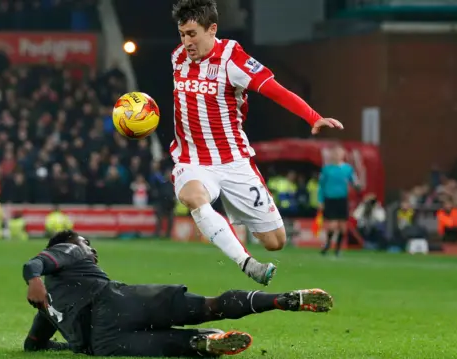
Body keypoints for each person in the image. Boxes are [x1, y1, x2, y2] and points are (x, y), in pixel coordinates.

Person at [169, 0, 344, 285]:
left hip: (234, 161)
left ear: (212, 29)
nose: (186, 42)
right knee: (193, 197)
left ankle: (230, 217)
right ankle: (248, 264)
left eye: (192, 34)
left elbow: (275, 91)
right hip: (193, 160)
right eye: (182, 34)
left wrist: (313, 117)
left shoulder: (233, 59)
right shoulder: (178, 57)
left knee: (275, 241)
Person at [22, 230, 334, 357]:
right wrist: (33, 277)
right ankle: (280, 300)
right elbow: (34, 263)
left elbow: (34, 346)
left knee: (179, 343)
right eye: (88, 243)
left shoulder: (48, 303)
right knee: (208, 306)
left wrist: (71, 345)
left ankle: (205, 342)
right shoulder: (69, 248)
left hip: (102, 345)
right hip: (114, 302)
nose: (92, 248)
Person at [319, 145, 360, 256]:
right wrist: (320, 200)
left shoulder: (348, 169)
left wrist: (357, 185)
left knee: (343, 227)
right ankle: (327, 245)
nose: (336, 155)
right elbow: (321, 186)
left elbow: (354, 181)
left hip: (342, 199)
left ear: (343, 155)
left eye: (339, 153)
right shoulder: (327, 169)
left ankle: (337, 248)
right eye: (335, 153)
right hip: (330, 199)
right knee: (332, 225)